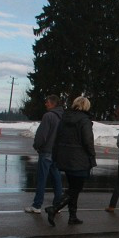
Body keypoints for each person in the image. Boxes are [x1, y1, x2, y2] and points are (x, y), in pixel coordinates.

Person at [46, 96, 96, 226]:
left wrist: (57, 154)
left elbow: (57, 138)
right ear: (86, 106)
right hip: (79, 159)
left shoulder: (65, 117)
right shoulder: (84, 120)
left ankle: (72, 216)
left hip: (66, 157)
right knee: (75, 189)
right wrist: (92, 155)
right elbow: (88, 141)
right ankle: (55, 208)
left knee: (72, 187)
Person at [25, 95, 64, 213]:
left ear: (52, 103)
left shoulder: (48, 116)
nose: (45, 104)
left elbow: (42, 135)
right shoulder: (63, 117)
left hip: (46, 151)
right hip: (57, 152)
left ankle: (37, 205)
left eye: (47, 102)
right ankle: (58, 204)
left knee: (42, 179)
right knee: (57, 178)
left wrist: (37, 145)